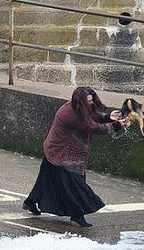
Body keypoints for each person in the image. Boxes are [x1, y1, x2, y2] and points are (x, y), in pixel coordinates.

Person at [22, 86, 124, 227]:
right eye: (88, 102)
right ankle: (77, 216)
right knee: (74, 186)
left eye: (91, 100)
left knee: (45, 180)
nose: (91, 104)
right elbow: (94, 127)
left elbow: (93, 116)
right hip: (61, 152)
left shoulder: (78, 108)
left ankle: (31, 202)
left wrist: (108, 117)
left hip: (58, 150)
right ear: (81, 102)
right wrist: (114, 125)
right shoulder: (72, 114)